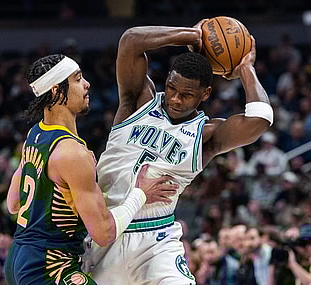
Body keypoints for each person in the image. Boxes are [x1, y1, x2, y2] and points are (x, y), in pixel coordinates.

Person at [83, 20, 274, 284]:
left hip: (156, 241)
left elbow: (260, 119)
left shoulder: (206, 134)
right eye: (172, 87)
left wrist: (245, 68)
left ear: (205, 94)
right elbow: (130, 40)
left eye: (186, 94)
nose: (175, 98)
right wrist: (195, 35)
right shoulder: (138, 100)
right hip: (105, 231)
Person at [3, 54, 177, 285]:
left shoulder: (35, 134)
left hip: (17, 258)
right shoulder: (72, 153)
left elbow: (13, 203)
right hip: (49, 268)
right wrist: (141, 194)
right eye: (77, 79)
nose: (87, 84)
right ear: (56, 91)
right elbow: (103, 233)